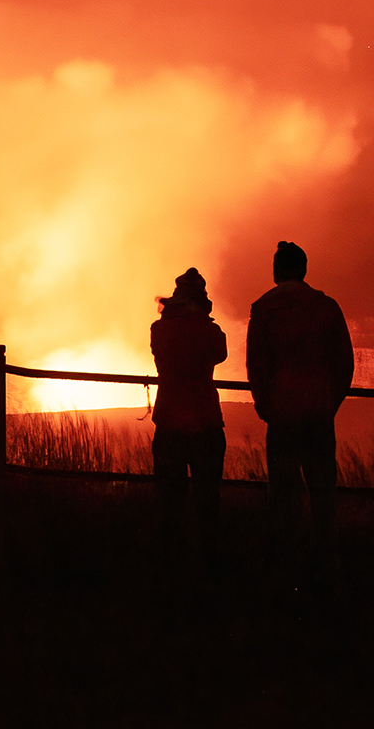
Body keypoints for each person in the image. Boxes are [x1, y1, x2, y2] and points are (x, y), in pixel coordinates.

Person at [245, 239, 354, 590]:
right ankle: (326, 568)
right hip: (319, 413)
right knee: (323, 490)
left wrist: (266, 405)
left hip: (283, 414)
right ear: (304, 269)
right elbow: (345, 363)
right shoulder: (326, 307)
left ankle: (285, 569)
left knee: (283, 492)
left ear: (277, 271)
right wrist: (328, 402)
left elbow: (257, 365)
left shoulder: (264, 309)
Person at [149, 266, 228, 575]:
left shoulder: (159, 329)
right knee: (207, 498)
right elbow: (219, 354)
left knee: (169, 500)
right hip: (205, 420)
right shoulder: (209, 331)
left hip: (168, 420)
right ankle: (207, 565)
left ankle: (170, 565)